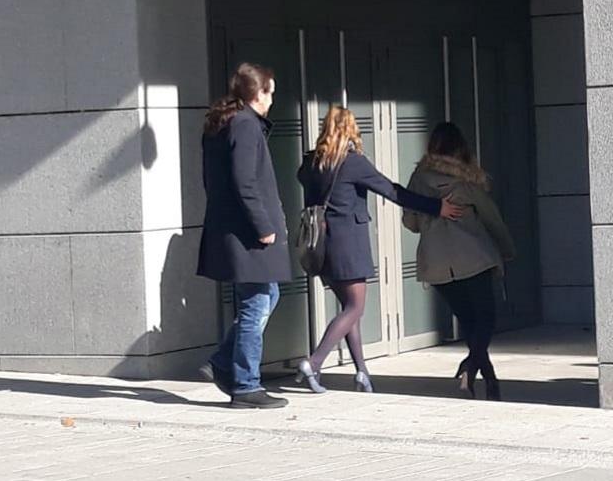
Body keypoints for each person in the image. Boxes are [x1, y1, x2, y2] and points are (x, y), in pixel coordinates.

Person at [294, 106, 463, 394]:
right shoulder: (352, 163)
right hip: (349, 243)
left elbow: (304, 181)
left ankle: (362, 372)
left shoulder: (311, 162)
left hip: (322, 245)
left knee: (349, 310)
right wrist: (437, 207)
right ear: (350, 129)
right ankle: (314, 361)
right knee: (355, 307)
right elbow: (393, 190)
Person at [197, 62, 293, 409]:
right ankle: (245, 385)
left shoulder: (225, 122)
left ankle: (223, 362)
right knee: (256, 305)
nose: (272, 100)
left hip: (234, 231)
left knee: (269, 296)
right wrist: (263, 226)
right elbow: (244, 181)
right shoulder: (244, 125)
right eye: (270, 92)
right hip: (248, 235)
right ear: (258, 92)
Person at [402, 121, 516, 401]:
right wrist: (506, 249)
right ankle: (470, 367)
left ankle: (488, 380)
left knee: (469, 323)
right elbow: (491, 218)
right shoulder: (467, 180)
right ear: (460, 148)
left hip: (437, 264)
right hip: (474, 258)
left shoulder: (418, 178)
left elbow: (411, 222)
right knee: (485, 321)